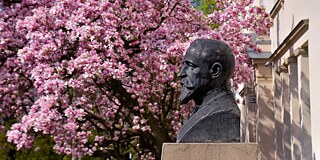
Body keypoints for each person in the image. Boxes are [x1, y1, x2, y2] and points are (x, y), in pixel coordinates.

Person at [177, 38, 240, 143]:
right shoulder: (201, 109)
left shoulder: (222, 114)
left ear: (215, 71)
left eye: (191, 66)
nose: (181, 74)